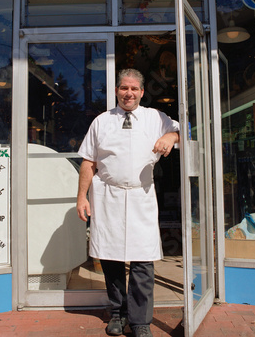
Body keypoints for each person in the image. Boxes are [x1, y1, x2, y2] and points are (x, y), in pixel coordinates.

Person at [76, 69, 180, 337]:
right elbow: (88, 161)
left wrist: (170, 136)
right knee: (110, 259)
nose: (129, 93)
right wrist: (81, 197)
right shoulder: (101, 121)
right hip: (107, 195)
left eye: (134, 89)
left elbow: (183, 130)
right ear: (116, 91)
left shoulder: (155, 117)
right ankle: (117, 313)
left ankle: (141, 321)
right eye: (124, 88)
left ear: (142, 92)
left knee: (143, 259)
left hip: (140, 195)